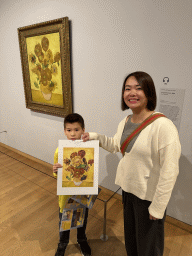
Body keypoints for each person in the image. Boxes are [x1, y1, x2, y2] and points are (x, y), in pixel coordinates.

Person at [82, 71, 181, 256]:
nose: (131, 93)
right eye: (127, 89)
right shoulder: (126, 120)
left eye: (138, 88)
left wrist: (158, 207)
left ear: (149, 93)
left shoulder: (163, 126)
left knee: (149, 248)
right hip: (128, 191)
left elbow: (170, 170)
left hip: (148, 197)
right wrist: (94, 137)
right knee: (132, 242)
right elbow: (115, 145)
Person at [53, 113, 92, 256]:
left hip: (82, 193)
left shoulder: (89, 149)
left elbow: (91, 170)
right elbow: (57, 175)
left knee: (82, 217)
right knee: (64, 220)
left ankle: (82, 240)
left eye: (76, 129)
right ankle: (62, 243)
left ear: (83, 130)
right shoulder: (60, 150)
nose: (73, 133)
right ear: (64, 131)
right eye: (69, 130)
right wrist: (56, 171)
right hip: (65, 195)